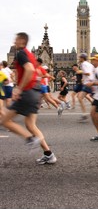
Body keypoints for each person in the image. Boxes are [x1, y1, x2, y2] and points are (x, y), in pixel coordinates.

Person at [1, 32, 57, 164]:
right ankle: (49, 154)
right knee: (31, 125)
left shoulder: (21, 53)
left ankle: (30, 139)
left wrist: (19, 88)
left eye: (16, 39)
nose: (14, 42)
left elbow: (30, 70)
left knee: (5, 121)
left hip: (26, 92)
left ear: (21, 41)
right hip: (35, 92)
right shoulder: (31, 55)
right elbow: (37, 72)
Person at [77, 53, 94, 122]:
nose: (79, 59)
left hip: (88, 83)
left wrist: (81, 72)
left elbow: (88, 73)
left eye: (80, 57)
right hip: (91, 82)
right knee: (83, 97)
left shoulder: (83, 64)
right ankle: (84, 114)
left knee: (80, 98)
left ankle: (84, 114)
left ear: (82, 58)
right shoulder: (90, 64)